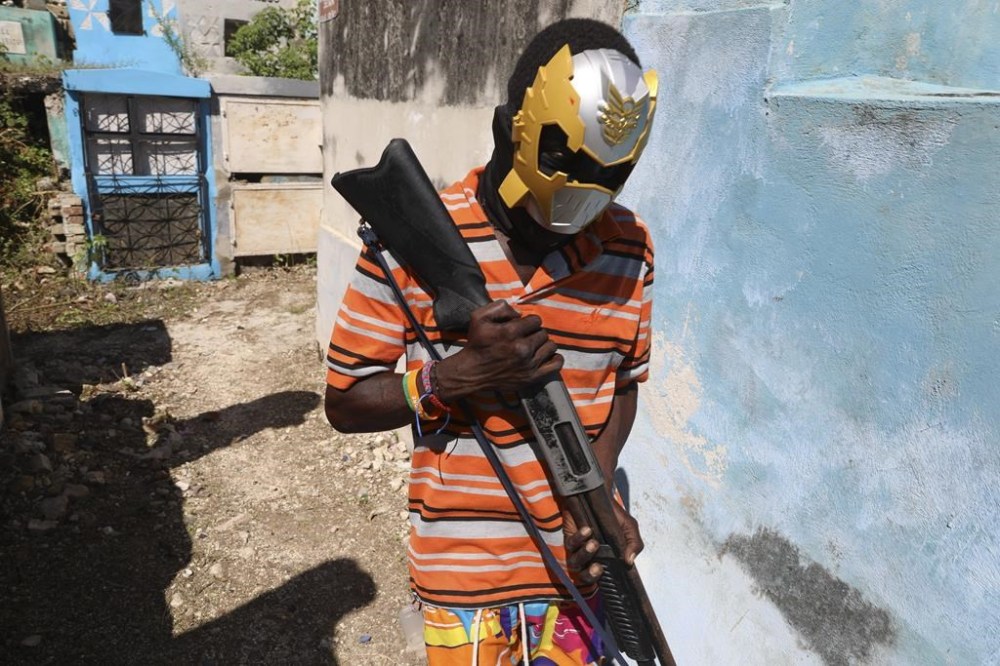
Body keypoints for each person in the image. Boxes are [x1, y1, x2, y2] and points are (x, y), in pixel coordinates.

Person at [325, 18, 657, 666]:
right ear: (511, 131)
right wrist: (455, 377)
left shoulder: (630, 247)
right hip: (463, 586)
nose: (563, 230)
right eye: (557, 183)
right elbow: (344, 402)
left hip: (578, 586)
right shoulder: (413, 241)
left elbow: (621, 382)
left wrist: (595, 494)